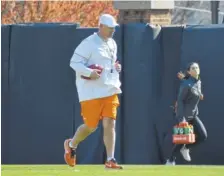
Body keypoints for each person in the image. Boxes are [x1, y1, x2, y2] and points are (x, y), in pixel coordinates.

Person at [64, 14, 123, 169]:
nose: (112, 31)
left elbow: (110, 64)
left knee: (110, 122)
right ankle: (71, 144)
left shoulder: (112, 44)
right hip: (90, 92)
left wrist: (116, 68)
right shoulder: (88, 43)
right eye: (110, 28)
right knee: (91, 126)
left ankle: (110, 159)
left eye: (113, 29)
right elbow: (74, 63)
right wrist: (89, 73)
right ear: (101, 26)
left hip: (110, 88)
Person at [166, 62, 208, 165]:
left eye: (197, 67)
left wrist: (200, 95)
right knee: (181, 140)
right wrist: (181, 119)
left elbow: (194, 87)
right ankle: (170, 161)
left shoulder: (198, 81)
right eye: (193, 68)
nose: (196, 69)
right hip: (184, 116)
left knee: (202, 136)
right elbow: (180, 101)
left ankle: (186, 148)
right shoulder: (185, 84)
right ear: (189, 71)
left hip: (193, 115)